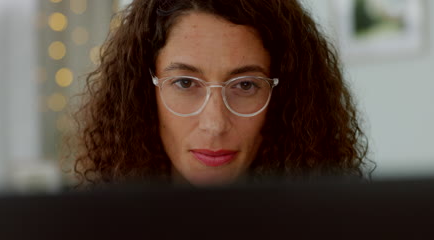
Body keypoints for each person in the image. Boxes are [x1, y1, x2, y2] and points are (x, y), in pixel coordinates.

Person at [71, 0, 370, 187]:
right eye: (185, 83)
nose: (214, 124)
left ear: (286, 98)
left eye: (245, 85)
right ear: (141, 94)